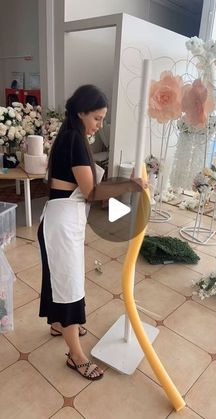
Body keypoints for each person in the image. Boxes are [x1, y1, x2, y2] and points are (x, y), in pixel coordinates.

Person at [37, 84, 147, 381]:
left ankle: (59, 324)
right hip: (61, 223)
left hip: (62, 219)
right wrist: (130, 184)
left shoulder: (73, 137)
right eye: (97, 118)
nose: (100, 125)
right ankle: (76, 355)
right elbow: (91, 192)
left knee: (59, 277)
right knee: (69, 286)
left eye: (102, 119)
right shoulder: (73, 139)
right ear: (81, 113)